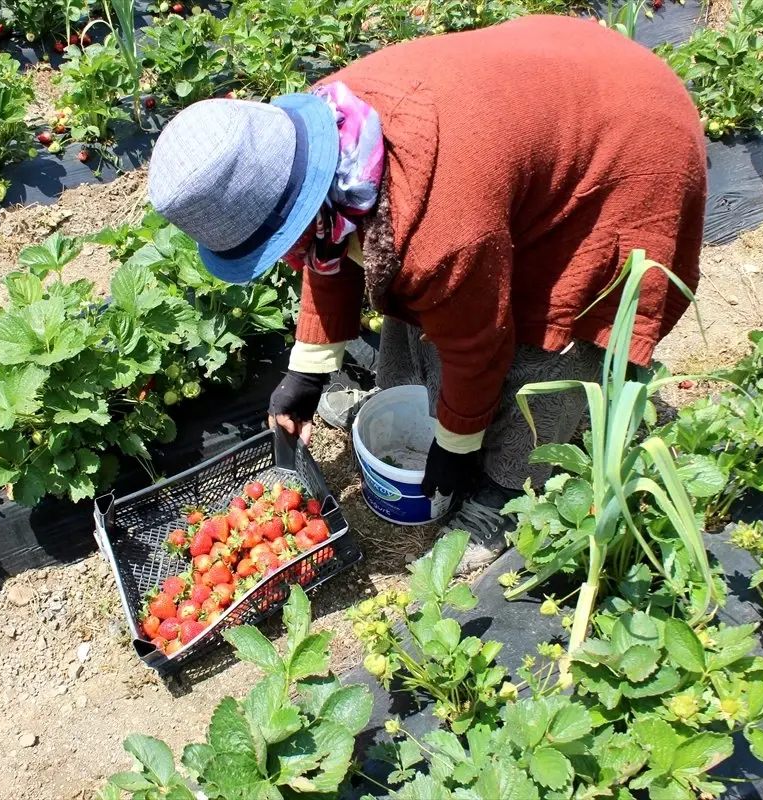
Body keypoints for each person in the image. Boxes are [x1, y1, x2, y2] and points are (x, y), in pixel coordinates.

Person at [146, 14, 706, 571]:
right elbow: (327, 243)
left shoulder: (445, 228)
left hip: (629, 136)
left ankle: (505, 491)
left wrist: (455, 450)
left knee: (550, 338)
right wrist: (308, 370)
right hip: (540, 87)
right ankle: (422, 403)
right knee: (419, 287)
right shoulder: (326, 139)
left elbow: (476, 346)